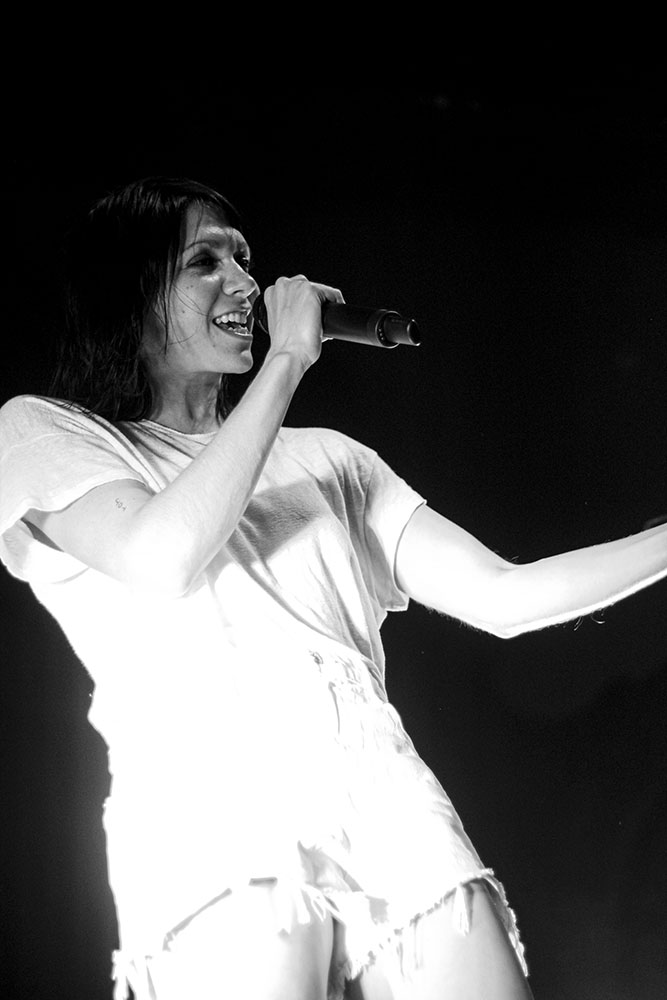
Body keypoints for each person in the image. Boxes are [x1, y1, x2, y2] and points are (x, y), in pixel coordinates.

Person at [1, 176, 665, 1000]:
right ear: (128, 290)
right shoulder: (46, 434)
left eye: (245, 260)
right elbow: (164, 554)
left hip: (375, 779)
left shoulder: (330, 459)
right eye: (205, 262)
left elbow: (506, 596)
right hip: (208, 788)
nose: (245, 284)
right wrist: (287, 360)